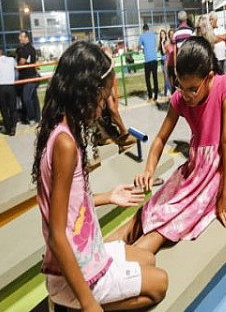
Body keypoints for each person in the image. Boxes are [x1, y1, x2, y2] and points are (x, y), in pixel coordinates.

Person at [32, 41, 168, 310]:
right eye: (104, 96)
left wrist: (109, 196)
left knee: (148, 260)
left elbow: (69, 204)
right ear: (86, 92)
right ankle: (75, 306)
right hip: (75, 274)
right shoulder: (65, 144)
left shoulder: (62, 130)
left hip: (88, 254)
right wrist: (88, 302)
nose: (106, 104)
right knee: (160, 282)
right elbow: (57, 235)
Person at [109, 37, 226, 254]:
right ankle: (88, 262)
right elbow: (160, 138)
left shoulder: (225, 89)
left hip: (212, 175)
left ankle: (116, 271)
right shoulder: (179, 98)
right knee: (145, 214)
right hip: (192, 170)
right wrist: (149, 169)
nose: (185, 95)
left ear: (209, 78)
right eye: (180, 85)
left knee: (163, 227)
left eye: (193, 89)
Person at [16, 30, 41, 124]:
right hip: (30, 76)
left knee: (26, 98)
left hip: (29, 77)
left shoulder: (26, 49)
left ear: (26, 37)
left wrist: (16, 65)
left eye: (21, 36)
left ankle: (32, 117)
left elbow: (21, 62)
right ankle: (37, 117)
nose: (19, 38)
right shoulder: (30, 48)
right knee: (33, 97)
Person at [0, 48, 17, 136]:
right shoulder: (11, 60)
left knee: (4, 109)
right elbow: (16, 66)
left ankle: (8, 128)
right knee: (13, 108)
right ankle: (13, 126)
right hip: (11, 86)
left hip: (1, 87)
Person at [138, 23, 158, 102]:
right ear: (148, 29)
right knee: (155, 78)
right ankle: (156, 96)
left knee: (148, 79)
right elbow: (155, 44)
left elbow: (139, 47)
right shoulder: (153, 35)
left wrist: (142, 48)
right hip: (154, 59)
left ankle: (150, 97)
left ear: (143, 29)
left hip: (147, 60)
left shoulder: (142, 36)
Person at [158, 29, 171, 97]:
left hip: (166, 60)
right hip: (162, 61)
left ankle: (171, 91)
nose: (162, 35)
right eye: (161, 34)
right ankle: (165, 93)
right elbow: (159, 51)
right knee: (165, 78)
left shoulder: (166, 42)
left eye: (163, 34)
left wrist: (163, 42)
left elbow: (164, 51)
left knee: (166, 77)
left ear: (165, 35)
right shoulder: (161, 42)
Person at [165, 29, 176, 94]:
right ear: (169, 36)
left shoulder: (176, 44)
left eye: (173, 34)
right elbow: (167, 58)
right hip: (170, 66)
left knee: (177, 84)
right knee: (172, 85)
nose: (172, 36)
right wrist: (166, 70)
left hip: (176, 65)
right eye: (170, 35)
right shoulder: (167, 45)